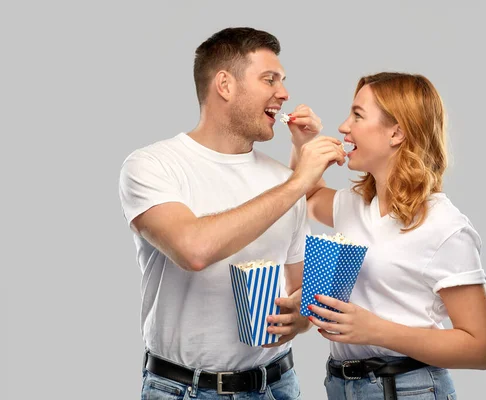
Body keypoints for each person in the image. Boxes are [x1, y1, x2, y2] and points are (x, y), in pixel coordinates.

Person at [118, 27, 345, 399]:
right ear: (224, 84)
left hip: (278, 385)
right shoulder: (152, 165)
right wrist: (299, 181)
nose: (284, 93)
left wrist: (303, 316)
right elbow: (193, 249)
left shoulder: (282, 178)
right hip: (185, 389)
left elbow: (298, 282)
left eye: (283, 81)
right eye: (269, 79)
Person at [288, 72, 486, 399]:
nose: (343, 127)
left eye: (357, 115)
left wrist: (375, 330)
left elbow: (480, 348)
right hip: (340, 386)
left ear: (396, 132)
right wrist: (303, 142)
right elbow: (308, 196)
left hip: (407, 388)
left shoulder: (443, 226)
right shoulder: (355, 205)